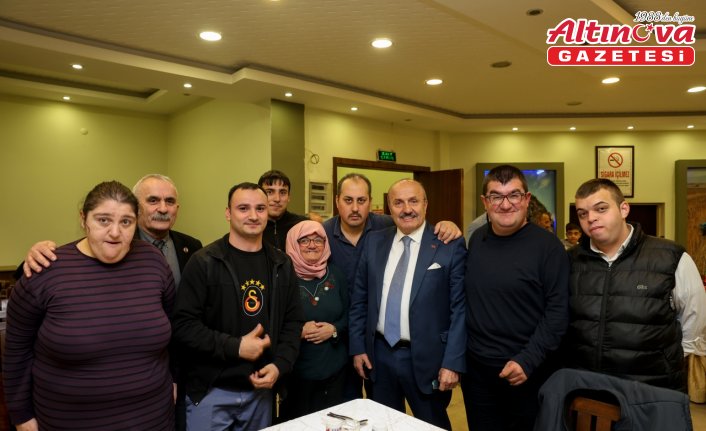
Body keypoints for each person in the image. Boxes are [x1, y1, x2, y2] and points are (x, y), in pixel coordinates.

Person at [4, 181, 175, 431]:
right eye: (103, 220)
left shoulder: (153, 262)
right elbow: (16, 352)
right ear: (84, 219)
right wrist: (21, 417)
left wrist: (174, 380)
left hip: (153, 418)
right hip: (69, 421)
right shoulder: (45, 270)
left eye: (126, 222)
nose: (115, 232)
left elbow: (174, 330)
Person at [171, 182, 304, 430]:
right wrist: (236, 347)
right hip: (211, 391)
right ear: (228, 213)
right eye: (243, 208)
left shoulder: (281, 264)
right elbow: (184, 326)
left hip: (261, 392)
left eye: (260, 208)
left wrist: (280, 365)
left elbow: (292, 322)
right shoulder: (204, 262)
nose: (253, 216)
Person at [323, 173, 463, 400]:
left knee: (430, 419)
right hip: (379, 356)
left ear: (426, 204)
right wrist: (358, 347)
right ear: (389, 207)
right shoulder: (374, 240)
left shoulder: (448, 244)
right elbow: (361, 300)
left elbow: (460, 309)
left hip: (428, 358)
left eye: (413, 201)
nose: (407, 209)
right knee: (381, 416)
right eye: (398, 203)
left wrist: (453, 362)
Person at [564, 178, 706, 391]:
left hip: (653, 388)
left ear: (624, 209)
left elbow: (694, 321)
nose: (591, 218)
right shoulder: (570, 261)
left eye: (601, 209)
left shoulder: (670, 257)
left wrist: (669, 361)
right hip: (587, 387)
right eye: (583, 213)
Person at [462, 164, 569, 431]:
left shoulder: (549, 247)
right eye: (496, 196)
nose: (506, 204)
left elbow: (557, 312)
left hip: (528, 372)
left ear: (527, 199)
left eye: (514, 195)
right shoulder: (476, 240)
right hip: (477, 374)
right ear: (485, 202)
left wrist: (527, 360)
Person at [21, 173, 202, 287]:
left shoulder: (192, 247)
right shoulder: (114, 243)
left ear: (177, 208)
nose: (163, 209)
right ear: (137, 208)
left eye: (170, 201)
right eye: (153, 200)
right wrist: (35, 256)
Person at [279, 220, 349, 419]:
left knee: (331, 423)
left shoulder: (336, 274)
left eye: (318, 240)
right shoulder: (281, 277)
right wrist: (298, 331)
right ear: (293, 243)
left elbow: (350, 314)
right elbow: (271, 322)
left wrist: (334, 329)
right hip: (296, 372)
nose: (312, 245)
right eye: (304, 240)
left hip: (334, 371)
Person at [258, 170, 308, 250]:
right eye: (270, 192)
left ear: (289, 197)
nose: (277, 199)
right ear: (259, 196)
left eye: (283, 192)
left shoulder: (303, 225)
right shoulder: (251, 226)